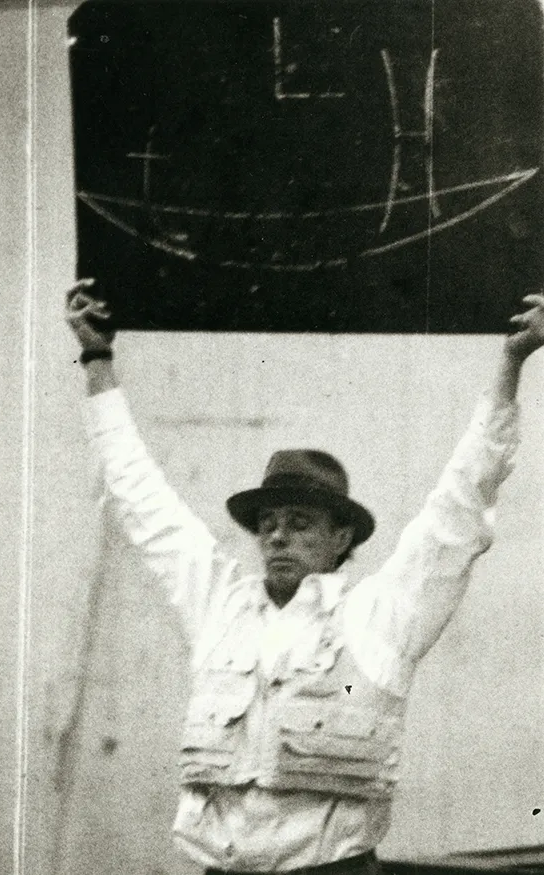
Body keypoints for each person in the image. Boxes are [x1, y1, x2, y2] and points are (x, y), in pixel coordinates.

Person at [66, 280, 544, 875]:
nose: (277, 535)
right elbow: (140, 499)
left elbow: (462, 501)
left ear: (340, 537)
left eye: (299, 521)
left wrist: (511, 362)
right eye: (267, 522)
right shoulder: (220, 605)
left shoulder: (382, 614)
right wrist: (97, 360)